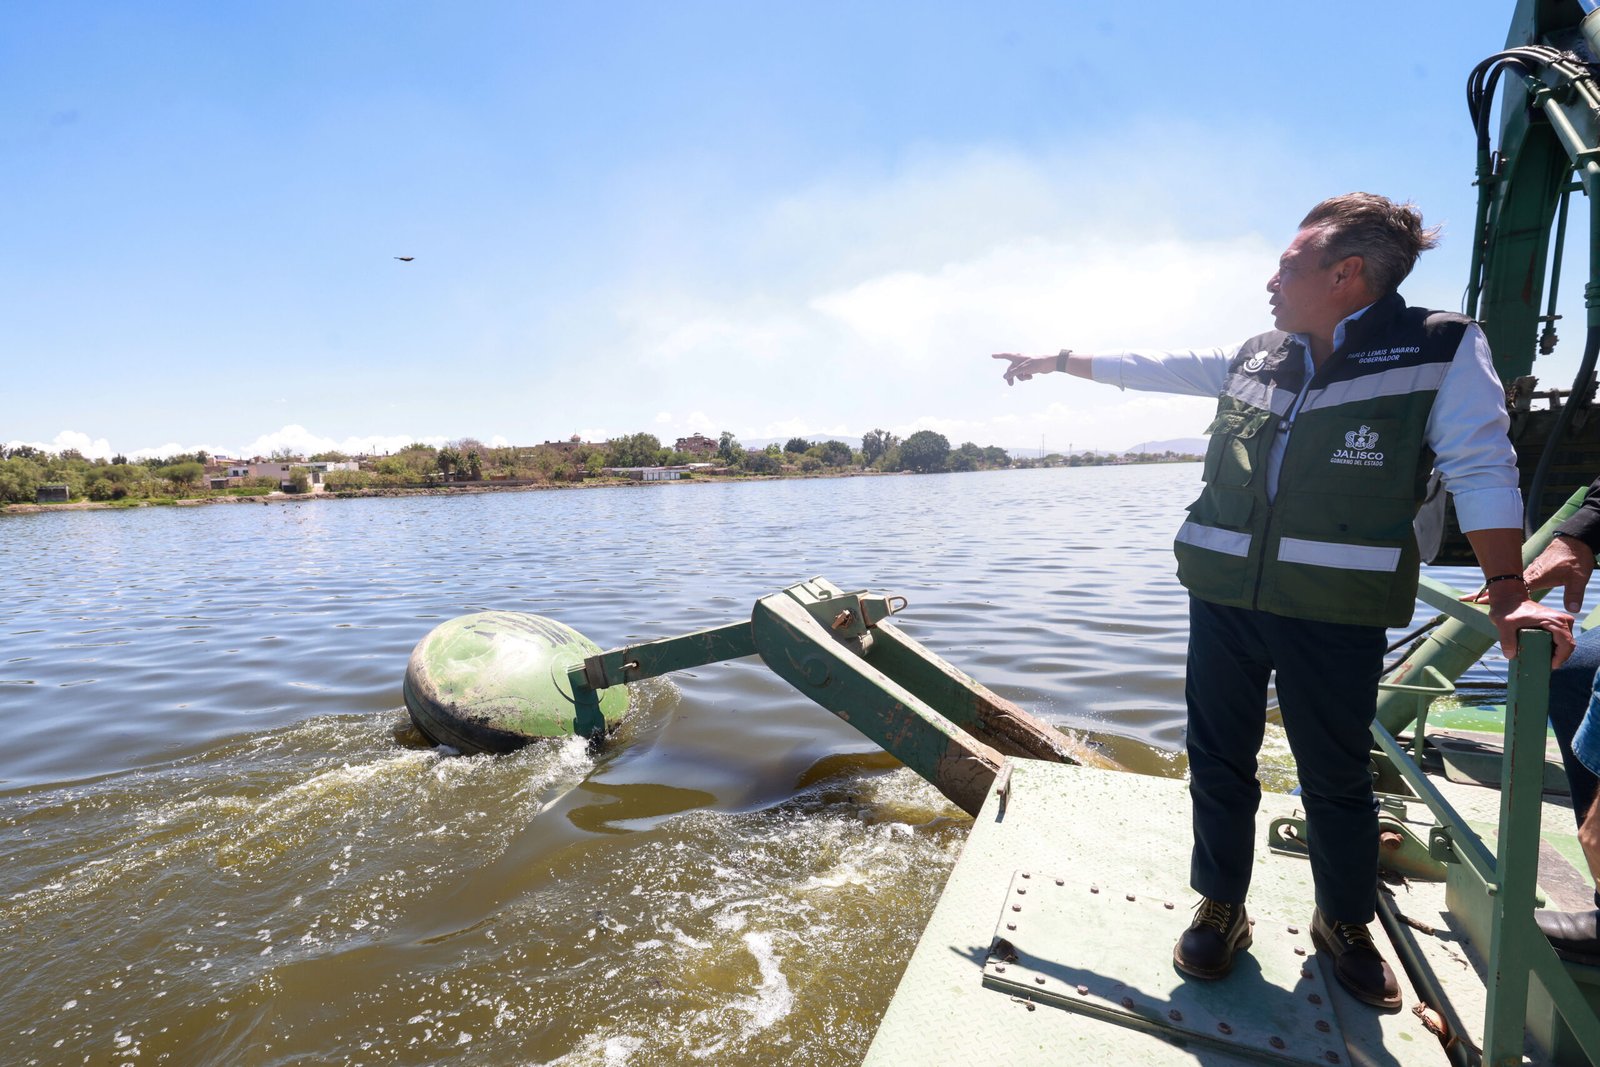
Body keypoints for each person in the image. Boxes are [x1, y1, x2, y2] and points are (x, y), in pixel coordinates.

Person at [993, 192, 1575, 1010]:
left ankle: (1343, 922)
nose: (1270, 279)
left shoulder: (1440, 347)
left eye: (1288, 264)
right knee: (1218, 759)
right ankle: (1221, 907)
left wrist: (1508, 592)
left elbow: (1483, 466)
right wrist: (1058, 360)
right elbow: (1159, 366)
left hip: (1335, 609)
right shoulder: (1263, 352)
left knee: (1335, 775)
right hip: (1227, 598)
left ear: (1347, 274)